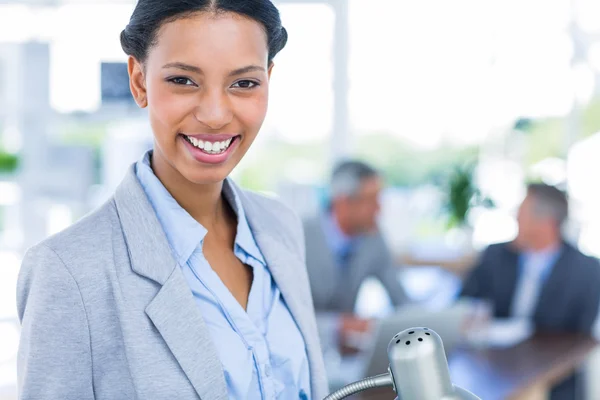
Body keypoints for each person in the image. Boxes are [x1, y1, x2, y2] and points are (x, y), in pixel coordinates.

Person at [16, 1, 328, 399]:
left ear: (268, 79)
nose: (215, 115)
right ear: (140, 81)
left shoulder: (280, 226)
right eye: (183, 80)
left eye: (244, 83)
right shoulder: (69, 271)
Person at [461, 183, 600, 400]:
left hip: (551, 378)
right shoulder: (496, 255)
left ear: (546, 223)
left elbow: (581, 333)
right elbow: (467, 298)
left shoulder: (587, 270)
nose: (516, 218)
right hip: (491, 367)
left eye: (522, 213)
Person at [303, 160, 409, 351]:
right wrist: (338, 326)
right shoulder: (298, 235)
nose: (379, 209)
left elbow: (402, 300)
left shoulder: (373, 237)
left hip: (345, 357)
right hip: (300, 352)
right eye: (371, 200)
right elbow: (281, 317)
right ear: (343, 203)